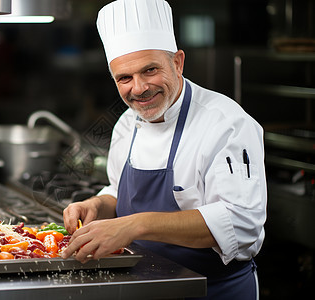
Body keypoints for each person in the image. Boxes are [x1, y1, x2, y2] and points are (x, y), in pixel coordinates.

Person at [61, 0, 266, 299]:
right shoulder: (127, 123)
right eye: (125, 78)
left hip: (211, 290)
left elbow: (241, 224)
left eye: (150, 70)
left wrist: (136, 225)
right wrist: (99, 205)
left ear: (178, 62)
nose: (139, 88)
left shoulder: (226, 124)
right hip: (142, 286)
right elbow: (119, 190)